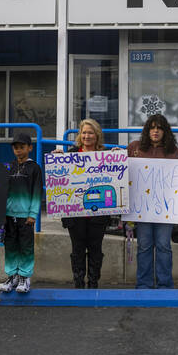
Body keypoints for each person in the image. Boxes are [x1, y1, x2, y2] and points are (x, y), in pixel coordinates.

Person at [128, 113, 178, 289]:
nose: (155, 131)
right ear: (147, 130)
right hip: (141, 209)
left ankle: (165, 284)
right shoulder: (134, 148)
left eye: (159, 128)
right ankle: (143, 284)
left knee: (163, 246)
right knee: (144, 246)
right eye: (152, 127)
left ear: (165, 131)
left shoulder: (174, 152)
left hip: (166, 210)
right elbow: (119, 171)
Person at [63, 118, 112, 288]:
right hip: (75, 213)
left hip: (98, 213)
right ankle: (78, 282)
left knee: (95, 248)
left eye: (90, 132)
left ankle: (93, 282)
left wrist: (116, 157)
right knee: (77, 248)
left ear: (97, 135)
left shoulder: (106, 155)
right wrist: (57, 159)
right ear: (80, 135)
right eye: (84, 132)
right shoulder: (70, 154)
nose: (87, 136)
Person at [1, 131, 44, 294]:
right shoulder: (9, 166)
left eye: (22, 147)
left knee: (26, 247)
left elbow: (37, 192)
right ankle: (12, 276)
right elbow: (2, 190)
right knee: (10, 246)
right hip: (8, 215)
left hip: (26, 217)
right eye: (16, 148)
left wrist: (33, 214)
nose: (18, 150)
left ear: (30, 148)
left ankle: (25, 277)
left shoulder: (35, 168)